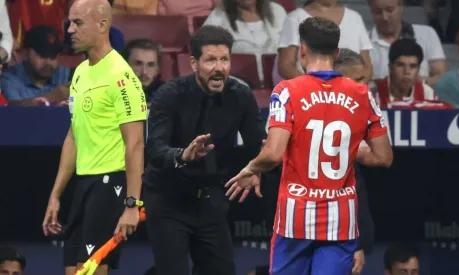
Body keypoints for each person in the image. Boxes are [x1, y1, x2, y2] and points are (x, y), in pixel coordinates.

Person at [225, 17, 393, 275]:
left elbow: (272, 154)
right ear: (336, 53)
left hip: (296, 218)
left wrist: (250, 168)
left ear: (302, 49)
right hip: (341, 221)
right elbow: (384, 157)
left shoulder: (287, 91)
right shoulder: (362, 95)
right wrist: (347, 148)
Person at [143, 25, 266, 275]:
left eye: (224, 59)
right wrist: (182, 155)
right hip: (169, 201)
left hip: (211, 201)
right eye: (210, 60)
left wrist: (259, 166)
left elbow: (257, 144)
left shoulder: (240, 95)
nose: (219, 67)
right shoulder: (169, 95)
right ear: (194, 63)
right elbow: (155, 148)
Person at [41, 1, 148, 275]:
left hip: (110, 186)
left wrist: (132, 204)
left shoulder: (122, 77)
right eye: (69, 22)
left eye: (78, 23)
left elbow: (135, 144)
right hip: (83, 186)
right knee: (72, 271)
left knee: (88, 272)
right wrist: (56, 195)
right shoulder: (80, 73)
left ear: (102, 25)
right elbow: (74, 136)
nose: (69, 30)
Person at [248, 48, 376, 275]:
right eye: (355, 80)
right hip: (293, 228)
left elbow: (358, 190)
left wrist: (360, 243)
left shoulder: (355, 115)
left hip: (337, 232)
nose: (361, 87)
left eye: (363, 80)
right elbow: (274, 173)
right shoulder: (292, 102)